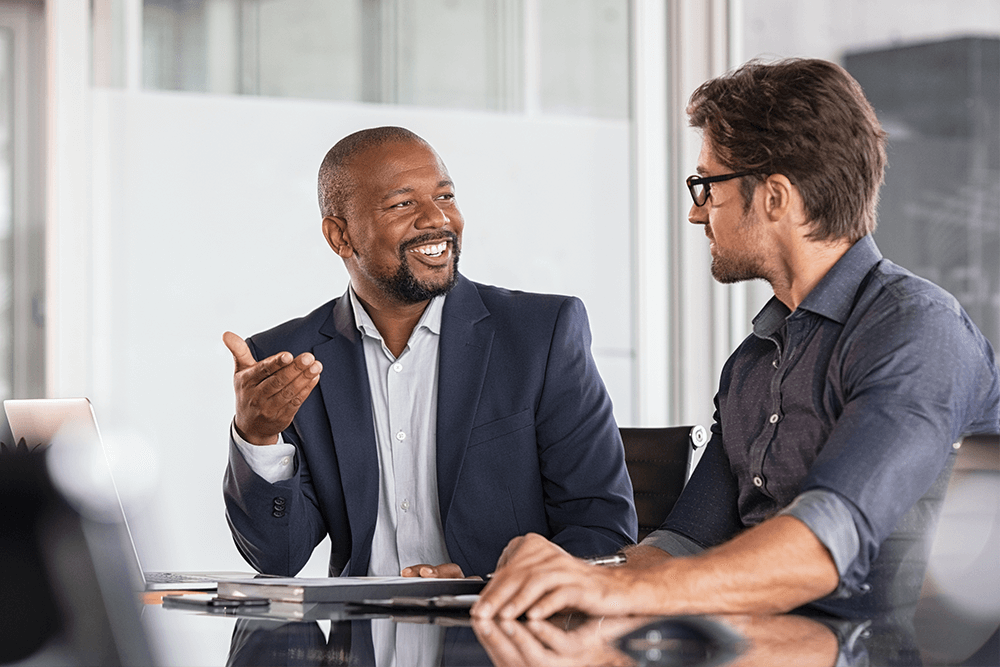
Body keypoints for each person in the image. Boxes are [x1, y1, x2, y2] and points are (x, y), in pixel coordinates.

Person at [471, 58, 1000, 619]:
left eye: (707, 185)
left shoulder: (917, 330)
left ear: (774, 196)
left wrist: (617, 592)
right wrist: (564, 577)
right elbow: (680, 546)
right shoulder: (752, 362)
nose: (697, 213)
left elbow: (824, 545)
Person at [222, 126, 637, 579]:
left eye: (444, 197)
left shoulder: (541, 335)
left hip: (498, 633)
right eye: (403, 204)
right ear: (340, 236)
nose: (436, 219)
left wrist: (490, 584)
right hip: (361, 642)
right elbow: (277, 558)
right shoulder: (289, 360)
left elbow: (602, 530)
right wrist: (257, 438)